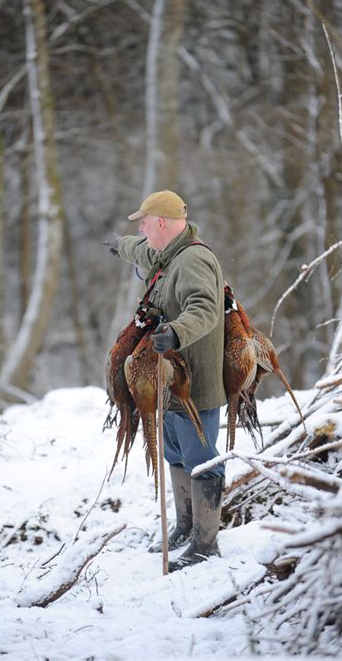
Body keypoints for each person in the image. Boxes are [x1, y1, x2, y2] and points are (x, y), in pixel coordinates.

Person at [103, 189, 226, 572]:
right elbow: (142, 253)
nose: (140, 229)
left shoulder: (193, 260)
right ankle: (186, 527)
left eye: (143, 223)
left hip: (197, 384)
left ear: (160, 223)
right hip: (172, 382)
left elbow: (204, 308)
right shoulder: (166, 253)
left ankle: (206, 543)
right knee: (175, 453)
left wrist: (175, 332)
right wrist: (120, 246)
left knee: (201, 460)